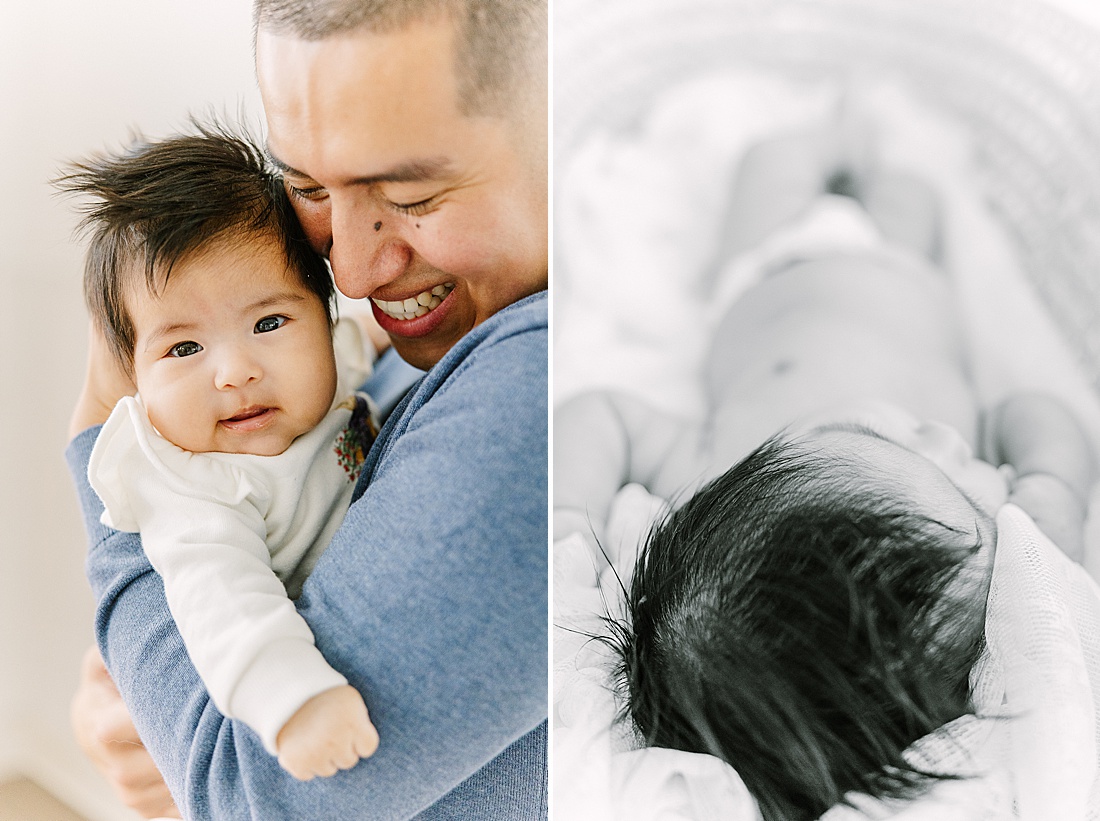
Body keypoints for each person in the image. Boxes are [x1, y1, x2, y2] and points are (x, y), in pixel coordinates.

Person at [66, 0, 549, 818]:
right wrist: (150, 708)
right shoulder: (391, 358)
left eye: (412, 194)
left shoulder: (538, 390)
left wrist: (106, 442)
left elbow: (243, 795)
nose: (352, 274)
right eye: (308, 186)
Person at [554, 125, 1096, 821]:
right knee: (913, 192)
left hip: (772, 269)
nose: (934, 434)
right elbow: (1038, 408)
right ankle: (863, 130)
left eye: (867, 432)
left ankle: (841, 124)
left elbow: (603, 415)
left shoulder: (713, 463)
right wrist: (1055, 488)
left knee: (773, 158)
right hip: (908, 273)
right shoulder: (972, 507)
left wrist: (567, 517)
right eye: (969, 486)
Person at [60, 124, 383, 782]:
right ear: (134, 383)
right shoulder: (195, 488)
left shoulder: (330, 373)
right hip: (274, 681)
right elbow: (226, 606)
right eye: (183, 348)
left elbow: (359, 347)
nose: (235, 371)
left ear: (324, 320)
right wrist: (298, 704)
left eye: (269, 322)